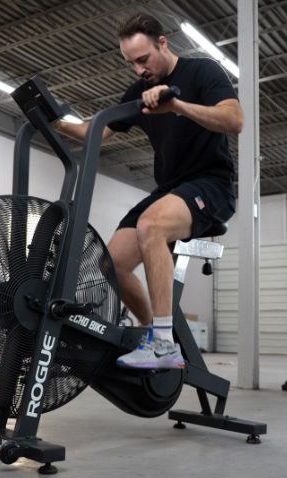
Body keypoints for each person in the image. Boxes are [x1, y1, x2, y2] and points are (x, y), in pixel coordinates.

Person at [53, 13, 243, 369]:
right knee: (111, 264)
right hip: (169, 189)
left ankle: (164, 344)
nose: (139, 70)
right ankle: (151, 334)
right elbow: (91, 132)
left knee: (150, 227)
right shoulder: (138, 93)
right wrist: (51, 119)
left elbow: (235, 120)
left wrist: (178, 106)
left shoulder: (202, 72)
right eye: (131, 64)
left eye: (144, 60)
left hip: (211, 184)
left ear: (163, 44)